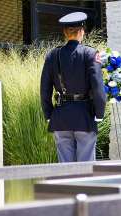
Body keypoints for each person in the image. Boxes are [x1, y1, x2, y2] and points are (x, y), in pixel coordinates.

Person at [40, 12, 106, 163]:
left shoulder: (52, 55)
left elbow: (44, 89)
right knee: (86, 166)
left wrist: (49, 115)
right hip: (84, 115)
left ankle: (66, 187)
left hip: (61, 116)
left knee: (65, 167)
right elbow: (97, 87)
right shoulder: (90, 53)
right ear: (82, 31)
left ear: (64, 32)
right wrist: (99, 113)